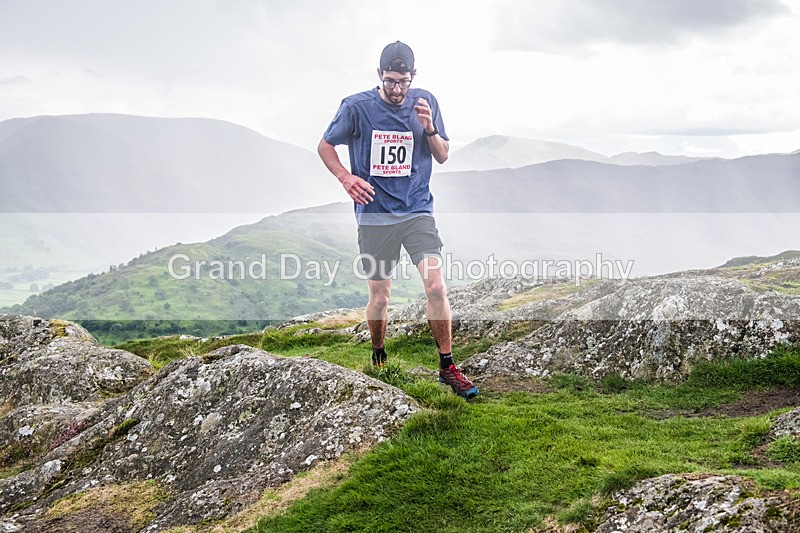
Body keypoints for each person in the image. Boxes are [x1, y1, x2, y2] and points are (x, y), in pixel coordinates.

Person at [318, 40, 478, 400]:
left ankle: (447, 366)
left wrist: (430, 127)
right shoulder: (357, 107)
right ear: (379, 75)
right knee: (380, 297)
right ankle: (378, 356)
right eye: (390, 81)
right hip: (374, 216)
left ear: (413, 76)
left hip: (417, 210)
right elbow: (325, 146)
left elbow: (443, 156)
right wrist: (346, 178)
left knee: (435, 286)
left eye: (403, 81)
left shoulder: (426, 101)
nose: (396, 89)